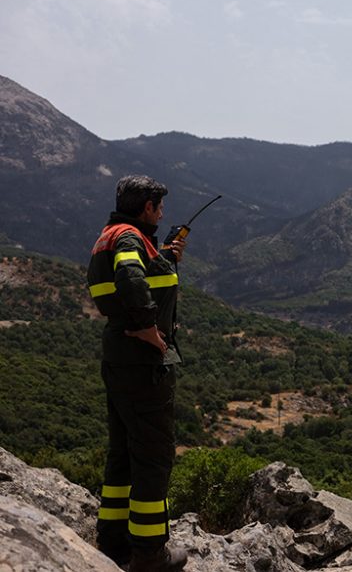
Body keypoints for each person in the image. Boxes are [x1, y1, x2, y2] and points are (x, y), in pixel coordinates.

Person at [87, 175, 188, 571]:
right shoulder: (129, 238)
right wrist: (150, 329)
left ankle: (112, 541)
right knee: (153, 455)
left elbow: (137, 270)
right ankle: (149, 553)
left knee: (123, 453)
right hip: (142, 362)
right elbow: (130, 276)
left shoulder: (111, 235)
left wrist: (165, 256)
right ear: (147, 206)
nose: (162, 213)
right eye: (159, 207)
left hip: (118, 358)